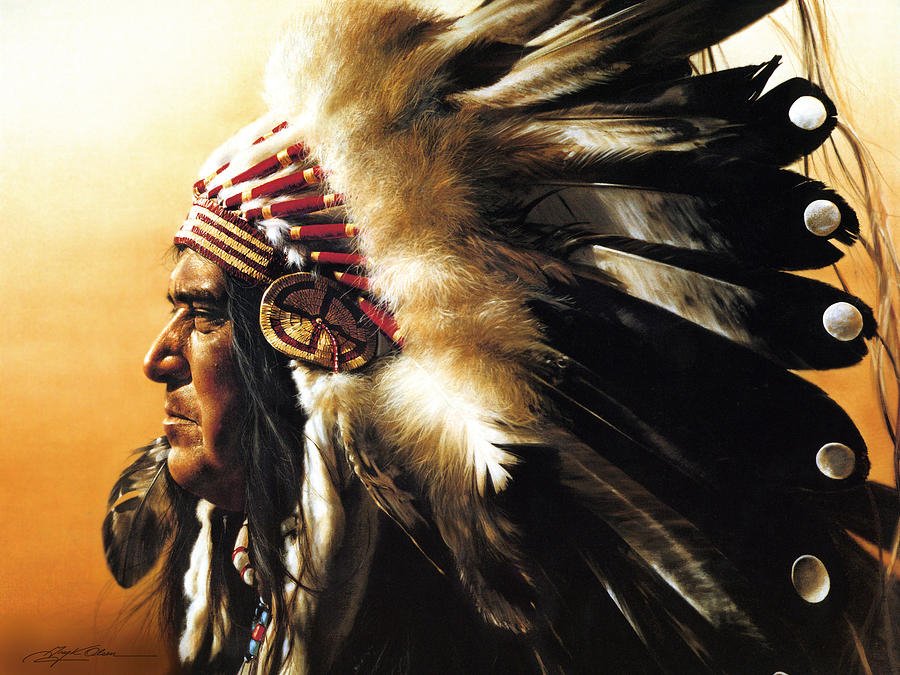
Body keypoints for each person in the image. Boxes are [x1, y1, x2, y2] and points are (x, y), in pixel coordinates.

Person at [104, 0, 898, 672]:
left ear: (314, 348)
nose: (158, 357)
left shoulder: (452, 619)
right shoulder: (273, 581)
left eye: (206, 314)